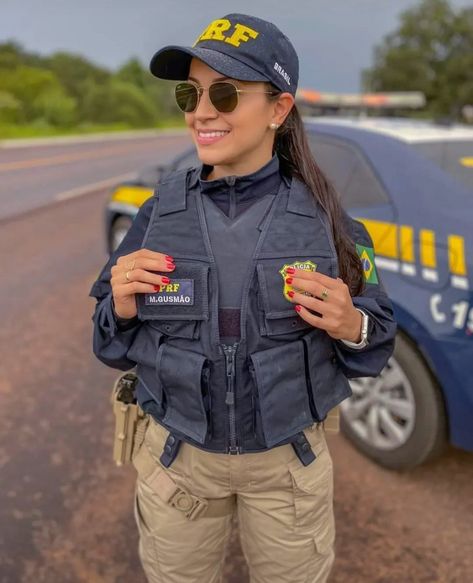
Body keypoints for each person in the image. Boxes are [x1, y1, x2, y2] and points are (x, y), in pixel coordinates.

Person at [89, 12, 397, 583]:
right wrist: (122, 306)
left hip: (287, 468)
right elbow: (108, 341)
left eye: (225, 94)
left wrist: (351, 321)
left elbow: (375, 344)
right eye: (191, 92)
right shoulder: (158, 215)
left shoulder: (330, 223)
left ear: (278, 109)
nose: (202, 111)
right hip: (177, 461)